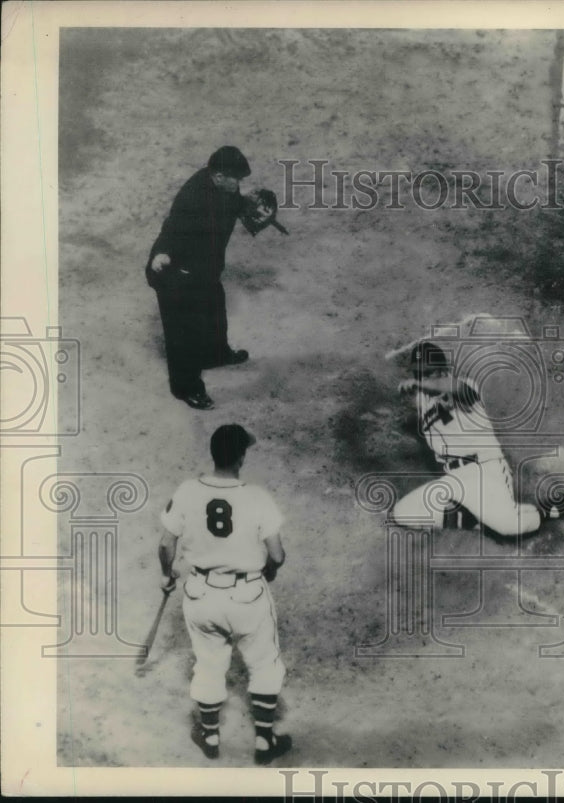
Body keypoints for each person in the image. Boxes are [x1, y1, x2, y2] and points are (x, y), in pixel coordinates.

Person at [157, 424, 292, 765]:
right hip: (247, 594)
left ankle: (211, 735)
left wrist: (166, 574)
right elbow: (276, 555)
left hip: (201, 594)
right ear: (242, 457)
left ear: (214, 454)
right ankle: (264, 741)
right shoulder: (257, 496)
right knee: (263, 663)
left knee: (209, 664)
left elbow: (165, 543)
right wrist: (269, 573)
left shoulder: (187, 491)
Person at [390, 341, 553, 537]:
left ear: (443, 370)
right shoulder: (422, 400)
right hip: (453, 479)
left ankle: (547, 512)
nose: (423, 378)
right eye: (419, 374)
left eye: (429, 372)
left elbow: (454, 387)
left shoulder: (463, 386)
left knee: (509, 527)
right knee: (404, 513)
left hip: (484, 472)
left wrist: (419, 384)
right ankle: (481, 518)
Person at [146, 146, 254, 410]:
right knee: (183, 333)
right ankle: (186, 388)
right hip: (174, 273)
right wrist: (163, 254)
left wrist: (247, 205)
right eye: (235, 179)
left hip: (204, 268)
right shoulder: (192, 199)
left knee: (214, 307)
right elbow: (172, 229)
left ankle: (215, 354)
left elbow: (229, 207)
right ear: (218, 176)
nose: (238, 184)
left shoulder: (226, 187)